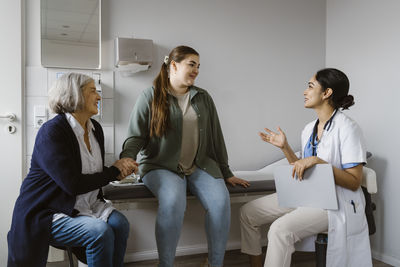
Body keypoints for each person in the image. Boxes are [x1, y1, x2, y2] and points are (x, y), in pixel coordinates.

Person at [120, 45, 249, 267]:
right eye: (192, 64)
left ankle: (214, 264)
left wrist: (226, 172)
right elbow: (136, 137)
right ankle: (166, 264)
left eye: (198, 66)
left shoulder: (203, 98)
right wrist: (126, 160)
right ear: (173, 65)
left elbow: (216, 137)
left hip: (199, 165)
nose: (196, 70)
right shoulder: (149, 96)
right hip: (160, 166)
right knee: (173, 201)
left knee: (220, 203)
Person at [240, 68, 372, 267]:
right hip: (308, 193)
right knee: (248, 213)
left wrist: (319, 162)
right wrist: (285, 147)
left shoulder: (348, 129)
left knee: (279, 229)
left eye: (310, 86)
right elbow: (301, 168)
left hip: (336, 203)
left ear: (326, 93)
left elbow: (354, 182)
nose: (304, 91)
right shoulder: (309, 129)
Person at [7, 73, 138, 267]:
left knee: (120, 225)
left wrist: (121, 169)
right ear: (75, 94)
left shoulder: (96, 129)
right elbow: (72, 183)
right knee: (99, 232)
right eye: (93, 91)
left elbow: (90, 170)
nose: (99, 97)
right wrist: (113, 171)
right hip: (48, 210)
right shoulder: (52, 131)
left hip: (83, 205)